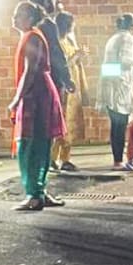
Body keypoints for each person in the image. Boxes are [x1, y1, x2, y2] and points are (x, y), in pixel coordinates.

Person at [8, 1, 67, 211]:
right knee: (39, 144)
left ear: (31, 18)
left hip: (37, 95)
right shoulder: (31, 35)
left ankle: (35, 194)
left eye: (19, 14)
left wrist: (17, 99)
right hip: (39, 92)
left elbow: (29, 71)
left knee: (31, 145)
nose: (14, 18)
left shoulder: (32, 36)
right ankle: (38, 191)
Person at [98, 14, 133, 171]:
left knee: (115, 125)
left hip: (110, 81)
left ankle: (117, 160)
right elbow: (125, 61)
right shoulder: (127, 37)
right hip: (119, 84)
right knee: (120, 125)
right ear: (132, 26)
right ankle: (118, 161)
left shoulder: (113, 38)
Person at [51, 11, 89, 172]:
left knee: (71, 123)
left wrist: (79, 56)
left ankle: (65, 158)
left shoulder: (68, 40)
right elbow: (62, 63)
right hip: (64, 87)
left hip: (74, 87)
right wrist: (76, 56)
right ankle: (52, 158)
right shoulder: (57, 42)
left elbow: (73, 59)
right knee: (61, 123)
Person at [28, 0, 75, 96]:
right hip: (50, 82)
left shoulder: (30, 26)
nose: (56, 0)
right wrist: (67, 79)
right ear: (46, 1)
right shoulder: (47, 25)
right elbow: (56, 55)